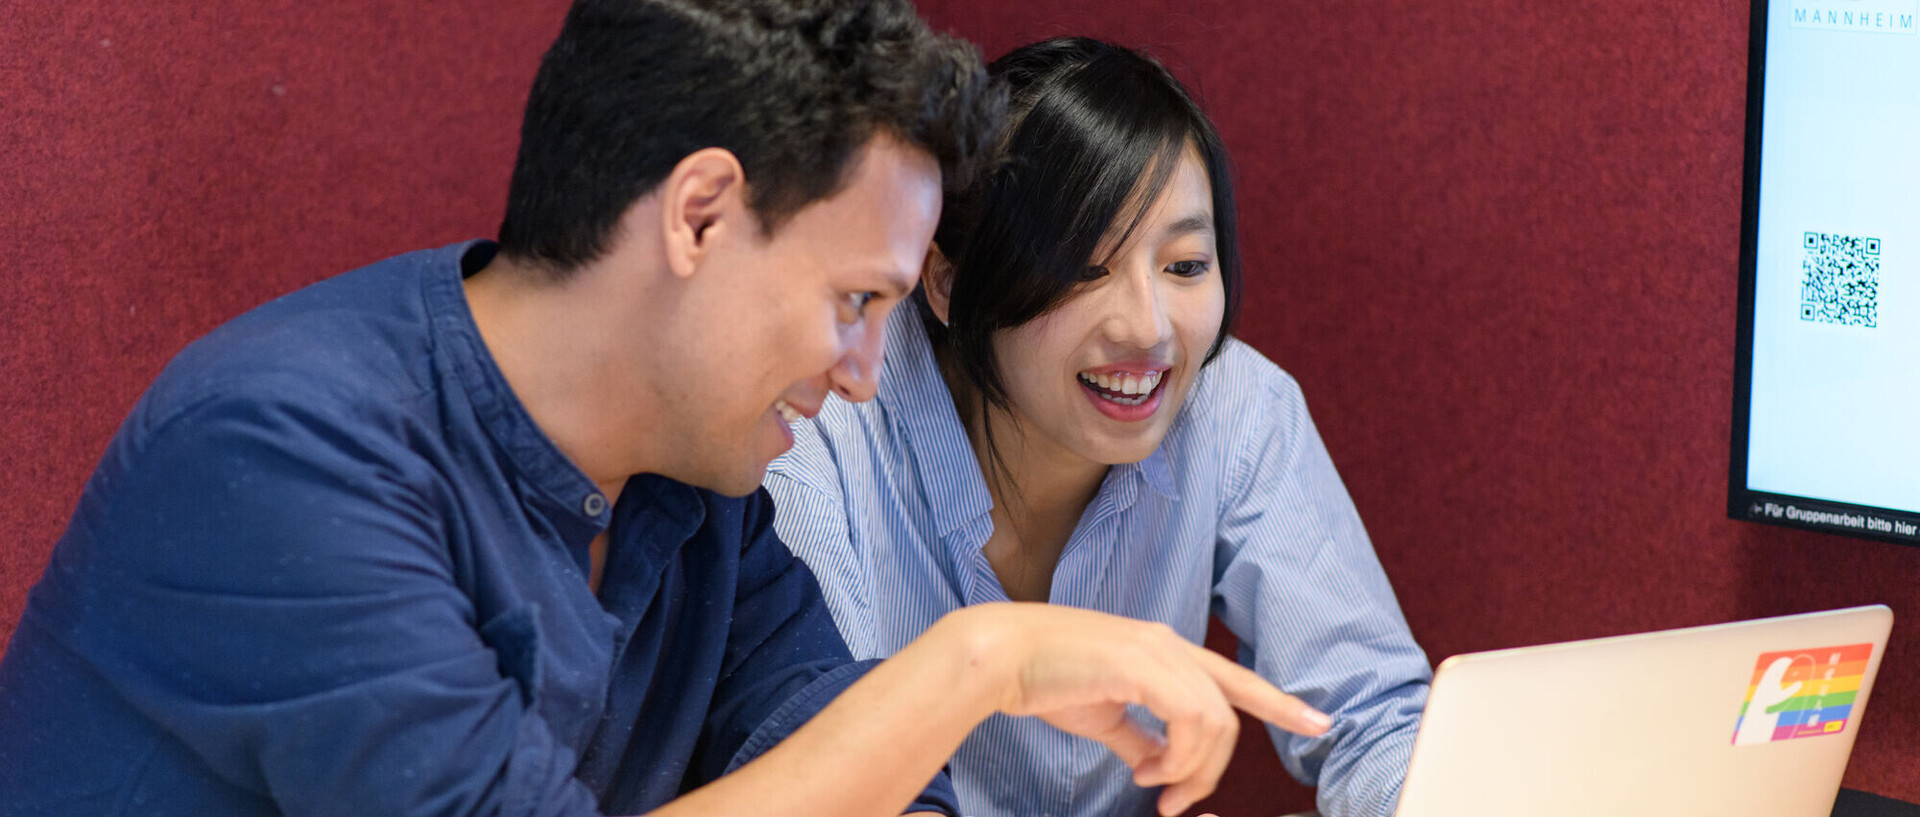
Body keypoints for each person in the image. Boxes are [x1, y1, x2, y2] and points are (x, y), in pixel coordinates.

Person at [0, 7, 1331, 817]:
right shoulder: (283, 451)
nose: (868, 370)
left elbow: (851, 755)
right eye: (857, 300)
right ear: (699, 216)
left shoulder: (700, 483)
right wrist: (983, 660)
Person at [764, 37, 1432, 817]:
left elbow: (1375, 720)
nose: (1149, 330)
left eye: (1185, 267)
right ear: (948, 282)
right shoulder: (822, 429)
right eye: (1086, 268)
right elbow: (823, 777)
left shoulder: (1234, 407)